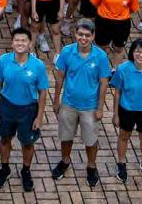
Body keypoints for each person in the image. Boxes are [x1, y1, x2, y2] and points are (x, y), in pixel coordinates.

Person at [51, 19, 111, 188]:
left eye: (87, 35)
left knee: (91, 140)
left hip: (90, 107)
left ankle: (91, 166)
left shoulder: (101, 56)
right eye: (80, 34)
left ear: (93, 36)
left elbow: (104, 83)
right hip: (68, 104)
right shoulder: (66, 52)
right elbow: (60, 77)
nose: (83, 38)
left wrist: (100, 108)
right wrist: (56, 101)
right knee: (66, 136)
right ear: (75, 34)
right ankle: (65, 161)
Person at [0, 28, 49, 191]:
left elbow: (43, 92)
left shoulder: (38, 66)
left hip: (28, 110)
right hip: (6, 107)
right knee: (4, 139)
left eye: (24, 40)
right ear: (12, 43)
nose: (20, 43)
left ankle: (26, 171)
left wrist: (39, 117)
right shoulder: (4, 61)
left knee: (28, 143)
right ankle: (5, 169)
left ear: (30, 44)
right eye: (17, 40)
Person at [110, 38, 142, 183]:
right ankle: (121, 163)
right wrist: (115, 114)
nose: (141, 55)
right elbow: (117, 92)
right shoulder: (122, 69)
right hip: (126, 110)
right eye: (137, 52)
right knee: (123, 137)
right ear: (132, 53)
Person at [90, 0, 141, 67]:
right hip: (104, 22)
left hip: (122, 24)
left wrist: (121, 15)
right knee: (101, 47)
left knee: (119, 48)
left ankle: (115, 70)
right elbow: (95, 3)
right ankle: (100, 68)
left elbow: (132, 8)